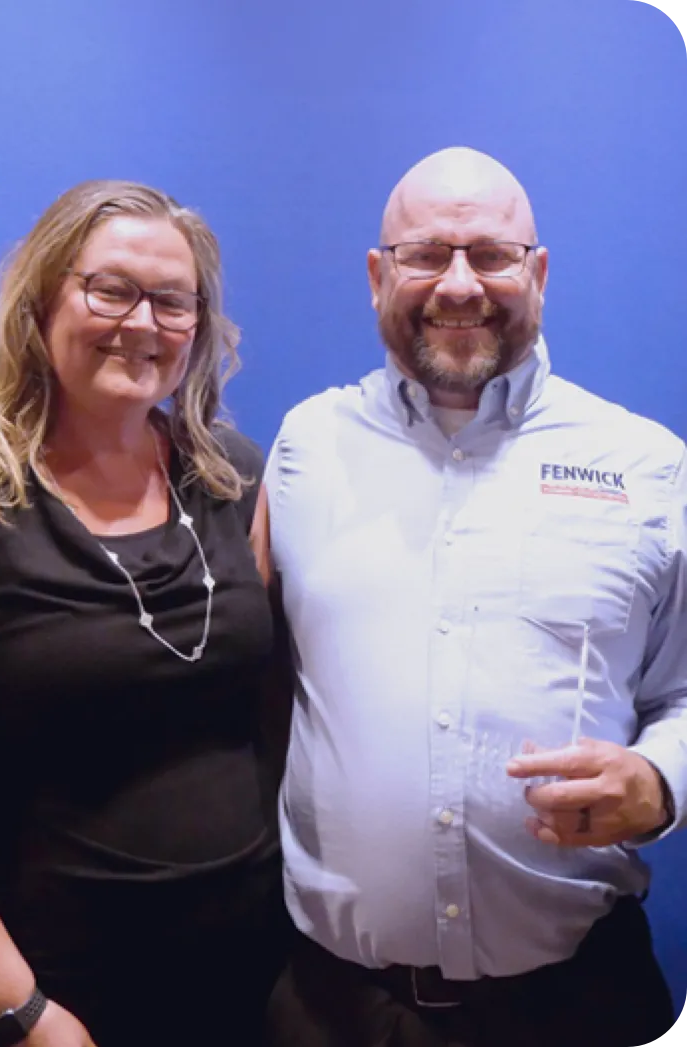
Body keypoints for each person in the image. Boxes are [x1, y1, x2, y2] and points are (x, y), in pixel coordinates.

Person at [0, 179, 287, 1047]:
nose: (142, 322)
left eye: (171, 300)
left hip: (253, 983)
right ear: (42, 298)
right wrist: (15, 1011)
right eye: (110, 289)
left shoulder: (228, 473)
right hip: (63, 1002)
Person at [262, 146, 684, 1047]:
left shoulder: (646, 465)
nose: (459, 283)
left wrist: (661, 779)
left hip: (578, 1007)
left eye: (490, 254)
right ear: (377, 275)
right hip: (336, 1011)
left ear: (537, 272)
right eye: (425, 254)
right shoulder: (305, 447)